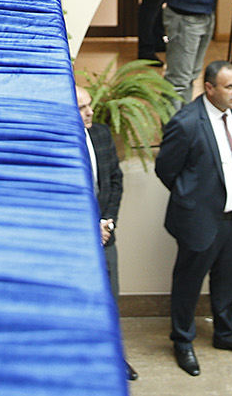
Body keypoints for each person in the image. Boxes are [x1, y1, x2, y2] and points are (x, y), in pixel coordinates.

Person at [155, 60, 232, 376]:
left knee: (228, 279)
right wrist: (193, 201)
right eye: (230, 87)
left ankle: (226, 333)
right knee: (188, 283)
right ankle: (182, 341)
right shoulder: (187, 122)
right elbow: (166, 169)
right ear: (209, 88)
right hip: (200, 220)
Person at [77, 84, 136, 382]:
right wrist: (88, 228)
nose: (90, 112)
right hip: (74, 239)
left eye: (90, 105)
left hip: (105, 235)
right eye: (81, 108)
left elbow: (115, 181)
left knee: (110, 299)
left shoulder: (100, 134)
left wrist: (107, 222)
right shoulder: (54, 145)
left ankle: (114, 358)